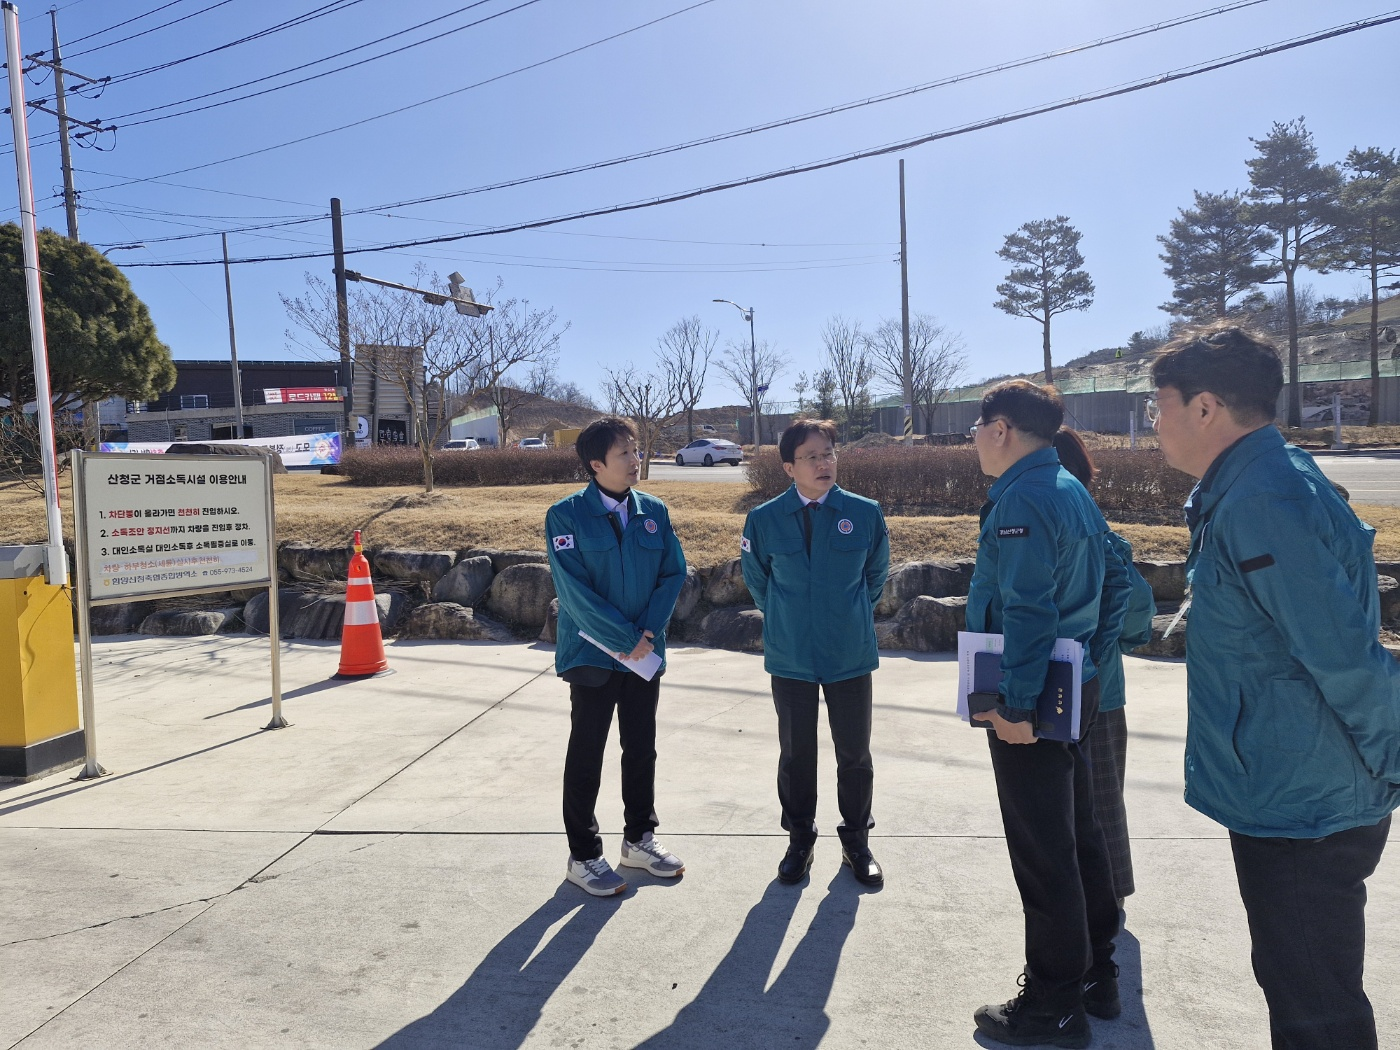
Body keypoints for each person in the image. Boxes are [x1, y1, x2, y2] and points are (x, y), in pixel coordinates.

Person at [1149, 324, 1400, 1050]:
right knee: (1303, 987)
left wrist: (1391, 758)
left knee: (1315, 1009)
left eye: (1157, 405)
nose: (1152, 423)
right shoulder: (1258, 480)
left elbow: (1343, 657)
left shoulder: (1263, 499)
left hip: (1306, 806)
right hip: (1294, 786)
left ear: (1204, 408)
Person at [965, 381, 1131, 1049]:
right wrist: (1090, 654)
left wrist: (1017, 705)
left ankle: (1053, 1004)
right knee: (1081, 835)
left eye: (977, 426)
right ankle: (1096, 975)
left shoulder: (1025, 498)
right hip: (1074, 681)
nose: (973, 438)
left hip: (1032, 694)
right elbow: (1119, 579)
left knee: (1045, 852)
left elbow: (1027, 610)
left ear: (1001, 428)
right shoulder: (1066, 487)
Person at [740, 419, 890, 887]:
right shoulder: (763, 520)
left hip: (848, 652)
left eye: (829, 453)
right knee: (796, 753)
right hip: (791, 657)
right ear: (789, 466)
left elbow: (875, 576)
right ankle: (799, 839)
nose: (824, 463)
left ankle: (857, 842)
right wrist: (791, 618)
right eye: (812, 456)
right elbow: (759, 582)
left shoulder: (864, 513)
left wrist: (842, 615)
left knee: (855, 753)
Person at [546, 417, 688, 897]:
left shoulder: (655, 511)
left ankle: (639, 839)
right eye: (624, 453)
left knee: (641, 745)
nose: (635, 460)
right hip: (593, 654)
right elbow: (575, 593)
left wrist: (647, 632)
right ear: (595, 464)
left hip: (644, 652)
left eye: (635, 450)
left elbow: (673, 573)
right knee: (587, 750)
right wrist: (626, 638)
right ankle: (583, 855)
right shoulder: (565, 516)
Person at [1052, 428, 1157, 906]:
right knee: (1102, 801)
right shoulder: (1103, 534)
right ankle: (1108, 897)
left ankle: (1083, 902)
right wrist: (1121, 641)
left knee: (1060, 805)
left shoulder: (1041, 528)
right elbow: (1137, 607)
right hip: (1102, 687)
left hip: (1057, 688)